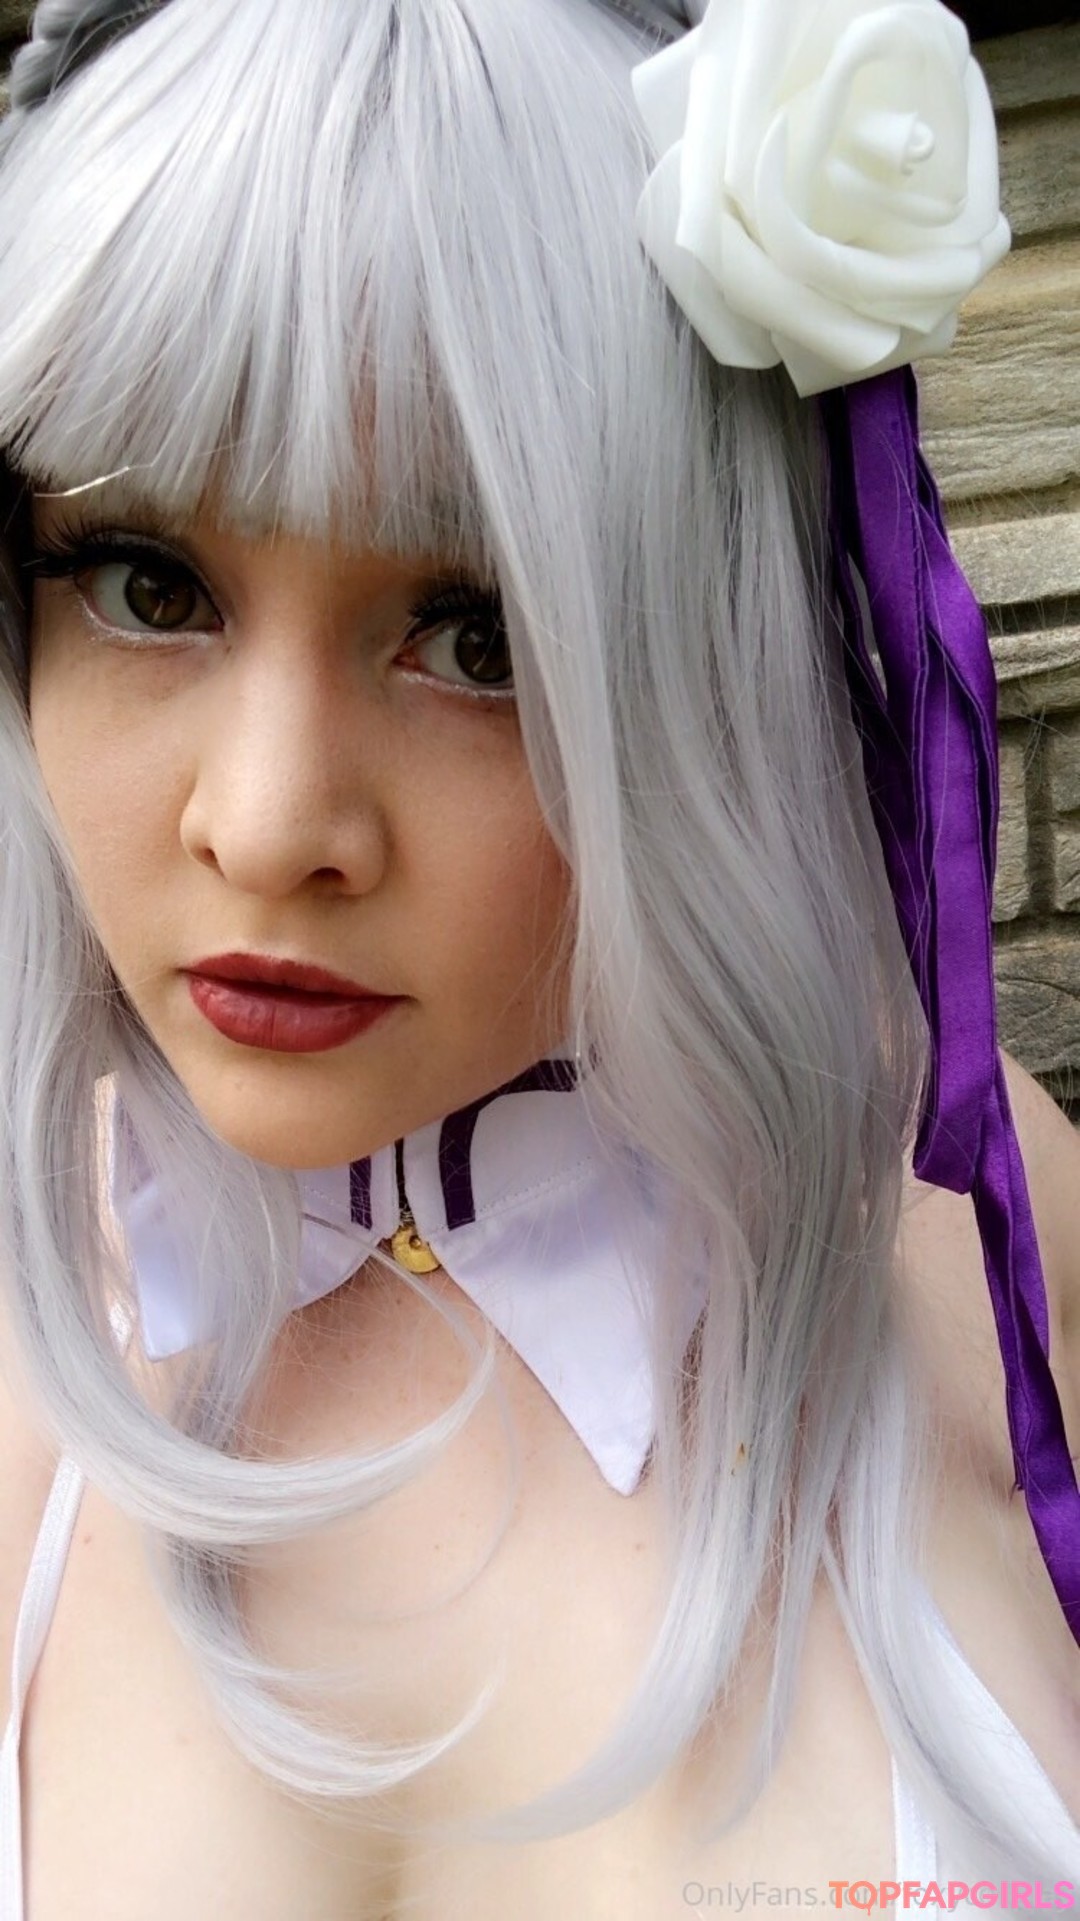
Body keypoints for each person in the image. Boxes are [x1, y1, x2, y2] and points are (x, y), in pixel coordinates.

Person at [0, 0, 1076, 1913]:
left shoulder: (995, 1257)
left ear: (700, 647)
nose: (269, 821)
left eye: (476, 634)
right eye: (149, 585)